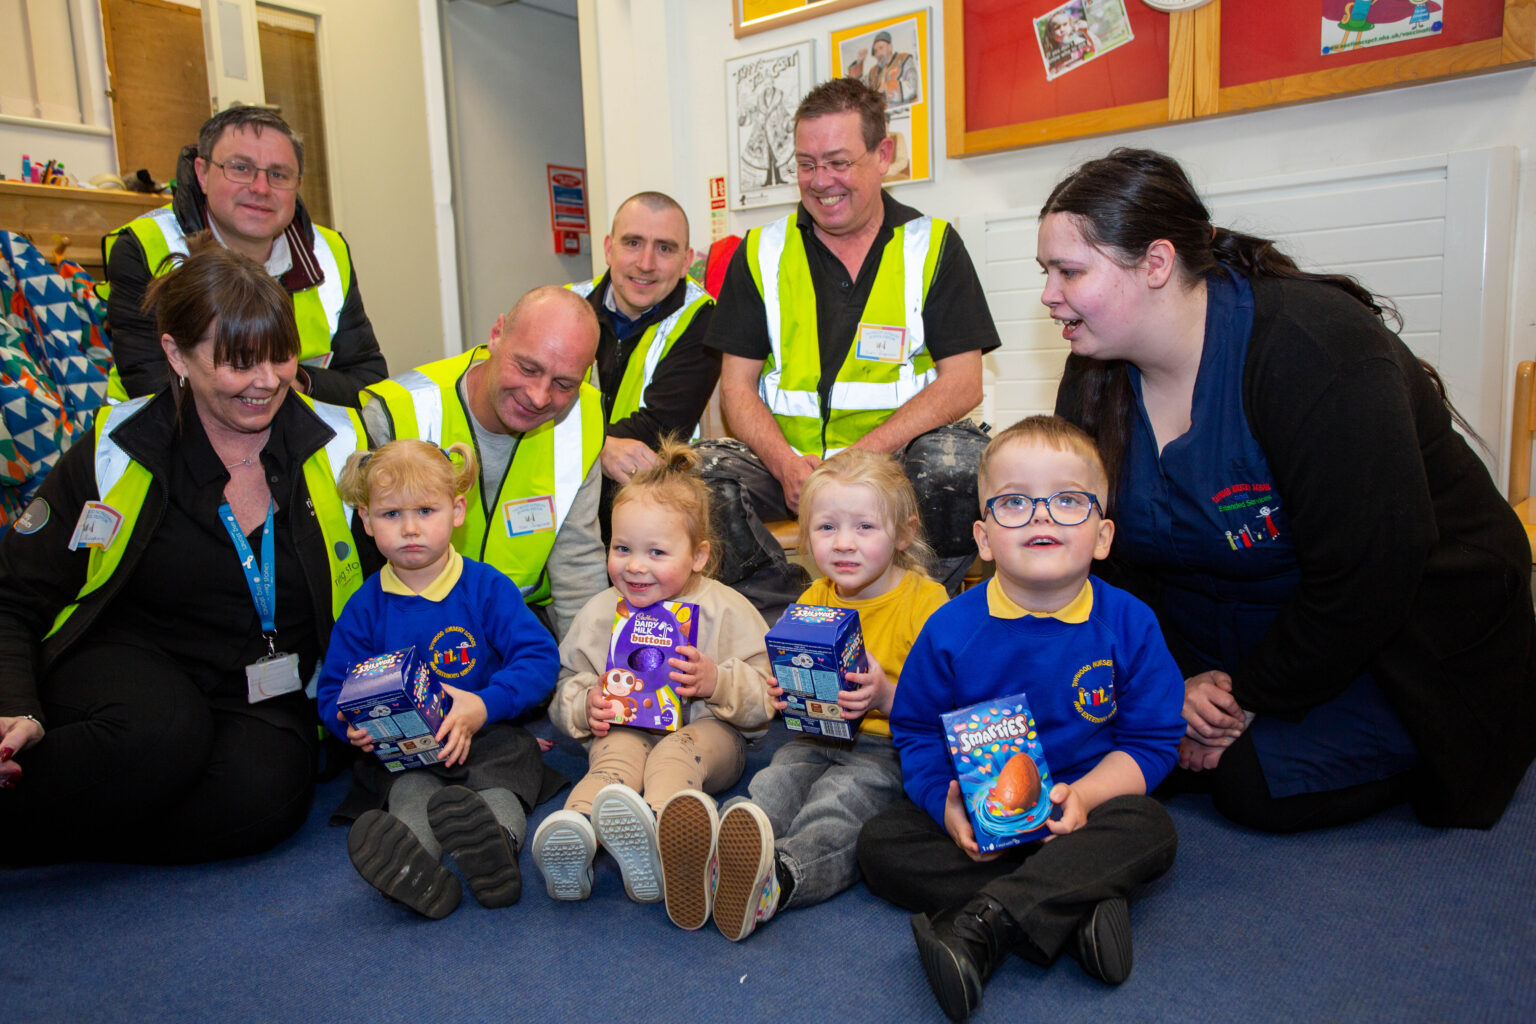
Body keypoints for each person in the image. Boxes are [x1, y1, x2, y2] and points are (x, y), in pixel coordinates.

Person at [1046, 148, 1536, 832]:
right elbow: (1104, 556)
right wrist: (1175, 681)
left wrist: (1247, 696)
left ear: (1155, 263)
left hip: (1393, 627)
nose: (1049, 294)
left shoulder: (1315, 348)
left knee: (1248, 785)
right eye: (1046, 271)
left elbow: (1371, 571)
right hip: (1227, 628)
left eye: (1069, 271)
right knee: (1099, 746)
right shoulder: (1093, 374)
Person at [0, 238, 376, 864]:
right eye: (239, 362)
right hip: (129, 664)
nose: (267, 381)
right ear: (176, 354)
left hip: (264, 685)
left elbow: (397, 579)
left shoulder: (341, 445)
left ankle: (72, 814)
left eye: (280, 355)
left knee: (269, 797)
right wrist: (15, 706)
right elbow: (13, 594)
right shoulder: (118, 447)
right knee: (166, 734)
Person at [858, 416, 1184, 1022]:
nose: (1041, 517)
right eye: (1014, 502)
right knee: (881, 846)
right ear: (983, 538)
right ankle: (1075, 905)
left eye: (1068, 500)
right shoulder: (949, 628)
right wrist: (946, 806)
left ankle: (986, 924)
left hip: (1086, 813)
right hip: (987, 819)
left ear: (1103, 536)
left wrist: (1084, 797)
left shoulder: (1131, 624)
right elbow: (918, 733)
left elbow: (1152, 743)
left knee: (1151, 827)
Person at [701, 76, 999, 615]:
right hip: (788, 465)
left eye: (838, 162)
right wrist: (786, 464)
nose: (821, 181)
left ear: (883, 155)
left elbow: (964, 383)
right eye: (806, 164)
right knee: (693, 478)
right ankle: (796, 615)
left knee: (958, 469)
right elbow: (736, 388)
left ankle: (913, 616)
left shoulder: (933, 246)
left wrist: (862, 460)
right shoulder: (761, 251)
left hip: (895, 463)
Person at [685, 448, 948, 942]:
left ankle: (781, 877)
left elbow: (947, 706)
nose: (844, 543)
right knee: (773, 785)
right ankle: (714, 860)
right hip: (814, 736)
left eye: (864, 527)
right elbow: (792, 670)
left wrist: (885, 695)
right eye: (827, 527)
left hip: (884, 748)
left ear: (903, 533)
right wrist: (781, 690)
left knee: (838, 805)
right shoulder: (814, 597)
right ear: (807, 536)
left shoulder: (927, 602)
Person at [315, 439, 560, 919]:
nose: (410, 528)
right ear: (366, 520)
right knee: (408, 791)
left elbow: (539, 658)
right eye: (391, 515)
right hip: (407, 753)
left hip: (486, 734)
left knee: (503, 781)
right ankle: (414, 871)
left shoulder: (485, 586)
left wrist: (485, 705)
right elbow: (333, 689)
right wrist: (348, 724)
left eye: (426, 511)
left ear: (457, 511)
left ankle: (496, 848)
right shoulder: (364, 607)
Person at [532, 441, 773, 923]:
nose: (635, 566)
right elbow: (566, 683)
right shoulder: (601, 611)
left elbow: (766, 697)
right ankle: (578, 829)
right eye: (622, 548)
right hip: (628, 728)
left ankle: (669, 834)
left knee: (674, 754)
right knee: (613, 759)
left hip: (711, 737)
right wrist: (585, 705)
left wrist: (715, 682)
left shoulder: (726, 608)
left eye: (656, 552)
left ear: (699, 555)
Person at [360, 286, 608, 641]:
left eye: (564, 384)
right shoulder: (398, 414)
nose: (539, 397)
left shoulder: (581, 421)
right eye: (527, 368)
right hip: (414, 625)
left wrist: (585, 666)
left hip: (523, 627)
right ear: (496, 335)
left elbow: (578, 568)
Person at [104, 106, 386, 406]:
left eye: (278, 174)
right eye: (240, 168)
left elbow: (368, 382)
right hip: (154, 434)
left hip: (299, 433)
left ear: (297, 185)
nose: (261, 188)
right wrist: (274, 390)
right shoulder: (144, 248)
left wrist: (298, 381)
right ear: (202, 173)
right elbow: (155, 391)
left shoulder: (329, 251)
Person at [566, 192, 721, 537]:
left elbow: (659, 429)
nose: (646, 263)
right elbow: (527, 411)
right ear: (609, 249)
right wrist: (600, 449)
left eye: (664, 248)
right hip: (561, 502)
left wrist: (581, 445)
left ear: (686, 261)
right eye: (633, 243)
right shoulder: (564, 306)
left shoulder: (703, 319)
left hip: (647, 515)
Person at [851, 30, 920, 107]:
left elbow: (912, 88)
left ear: (890, 47)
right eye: (875, 51)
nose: (878, 54)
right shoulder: (873, 72)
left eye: (881, 48)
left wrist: (884, 88)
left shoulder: (904, 59)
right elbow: (856, 87)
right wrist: (859, 61)